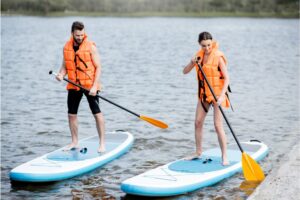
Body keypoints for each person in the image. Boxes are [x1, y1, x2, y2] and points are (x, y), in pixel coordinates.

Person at [56, 21, 105, 153]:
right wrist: (60, 75)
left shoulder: (90, 47)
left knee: (97, 113)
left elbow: (99, 67)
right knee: (71, 114)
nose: (80, 37)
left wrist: (95, 87)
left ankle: (102, 144)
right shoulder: (66, 47)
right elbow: (65, 66)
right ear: (72, 33)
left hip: (90, 85)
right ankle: (74, 142)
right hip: (74, 85)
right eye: (77, 35)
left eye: (82, 35)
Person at [183, 32, 230, 165]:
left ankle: (224, 156)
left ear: (212, 42)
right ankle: (198, 152)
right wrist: (191, 62)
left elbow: (227, 78)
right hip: (204, 95)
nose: (207, 48)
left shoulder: (218, 57)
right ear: (199, 44)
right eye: (204, 46)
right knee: (197, 123)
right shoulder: (198, 57)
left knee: (217, 126)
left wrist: (221, 96)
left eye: (209, 45)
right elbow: (185, 71)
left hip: (217, 95)